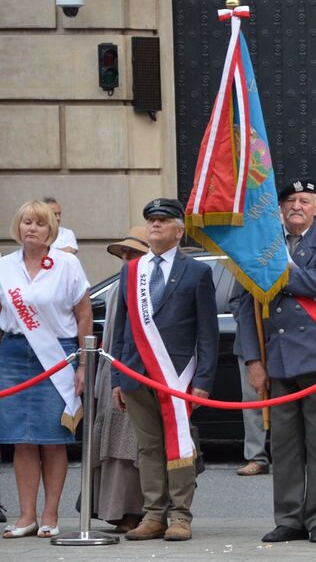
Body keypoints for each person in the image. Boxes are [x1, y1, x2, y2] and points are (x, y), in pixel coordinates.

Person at [237, 178, 316, 544]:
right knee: (283, 445)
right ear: (279, 208)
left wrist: (275, 271)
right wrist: (253, 360)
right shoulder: (264, 242)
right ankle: (288, 518)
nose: (296, 206)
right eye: (290, 201)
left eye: (304, 200)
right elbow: (244, 305)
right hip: (277, 359)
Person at [110, 198, 218, 542]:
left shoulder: (197, 272)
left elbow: (208, 332)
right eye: (151, 220)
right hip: (135, 372)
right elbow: (120, 328)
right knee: (148, 447)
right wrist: (116, 378)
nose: (154, 225)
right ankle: (154, 514)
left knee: (179, 442)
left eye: (162, 220)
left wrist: (203, 380)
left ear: (179, 230)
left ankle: (180, 515)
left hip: (177, 374)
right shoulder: (132, 271)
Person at [0, 200, 91, 538]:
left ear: (50, 229)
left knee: (52, 439)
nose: (32, 228)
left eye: (39, 223)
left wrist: (83, 364)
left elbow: (84, 315)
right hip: (13, 354)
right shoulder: (4, 266)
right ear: (18, 226)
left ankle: (50, 514)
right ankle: (26, 516)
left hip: (58, 355)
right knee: (21, 439)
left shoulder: (67, 264)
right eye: (27, 222)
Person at [87, 228, 150, 531]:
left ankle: (137, 510)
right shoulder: (118, 287)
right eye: (125, 253)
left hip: (140, 372)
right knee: (113, 442)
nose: (127, 258)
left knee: (135, 443)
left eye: (134, 253)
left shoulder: (147, 285)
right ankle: (114, 509)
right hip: (112, 370)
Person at [231, 282, 270, 477]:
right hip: (249, 342)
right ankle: (256, 457)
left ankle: (286, 456)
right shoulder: (246, 266)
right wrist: (253, 323)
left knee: (286, 403)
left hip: (282, 339)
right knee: (253, 401)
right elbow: (235, 302)